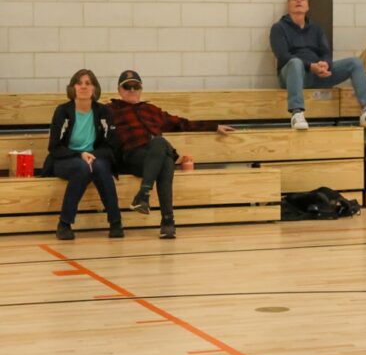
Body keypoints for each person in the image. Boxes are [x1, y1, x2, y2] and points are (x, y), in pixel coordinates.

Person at [109, 70, 235, 239]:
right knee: (162, 146)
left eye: (135, 86)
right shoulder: (110, 110)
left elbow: (182, 123)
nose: (132, 90)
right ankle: (159, 211)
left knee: (166, 160)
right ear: (119, 90)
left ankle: (159, 214)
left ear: (141, 89)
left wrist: (213, 126)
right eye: (127, 87)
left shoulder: (151, 109)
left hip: (155, 157)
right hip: (132, 157)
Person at [270, 0, 366, 130]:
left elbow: (325, 52)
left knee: (355, 63)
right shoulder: (278, 28)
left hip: (317, 74)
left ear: (307, 6)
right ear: (289, 6)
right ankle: (297, 113)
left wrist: (325, 64)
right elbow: (283, 56)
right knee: (295, 62)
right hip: (291, 75)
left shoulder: (316, 29)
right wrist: (310, 66)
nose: (298, 0)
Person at [41, 69, 123, 241]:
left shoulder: (104, 112)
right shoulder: (62, 111)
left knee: (100, 167)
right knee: (82, 168)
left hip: (94, 157)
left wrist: (91, 154)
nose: (83, 87)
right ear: (73, 88)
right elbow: (54, 147)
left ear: (94, 88)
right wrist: (80, 155)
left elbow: (111, 146)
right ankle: (64, 224)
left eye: (88, 83)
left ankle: (115, 222)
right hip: (65, 159)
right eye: (79, 83)